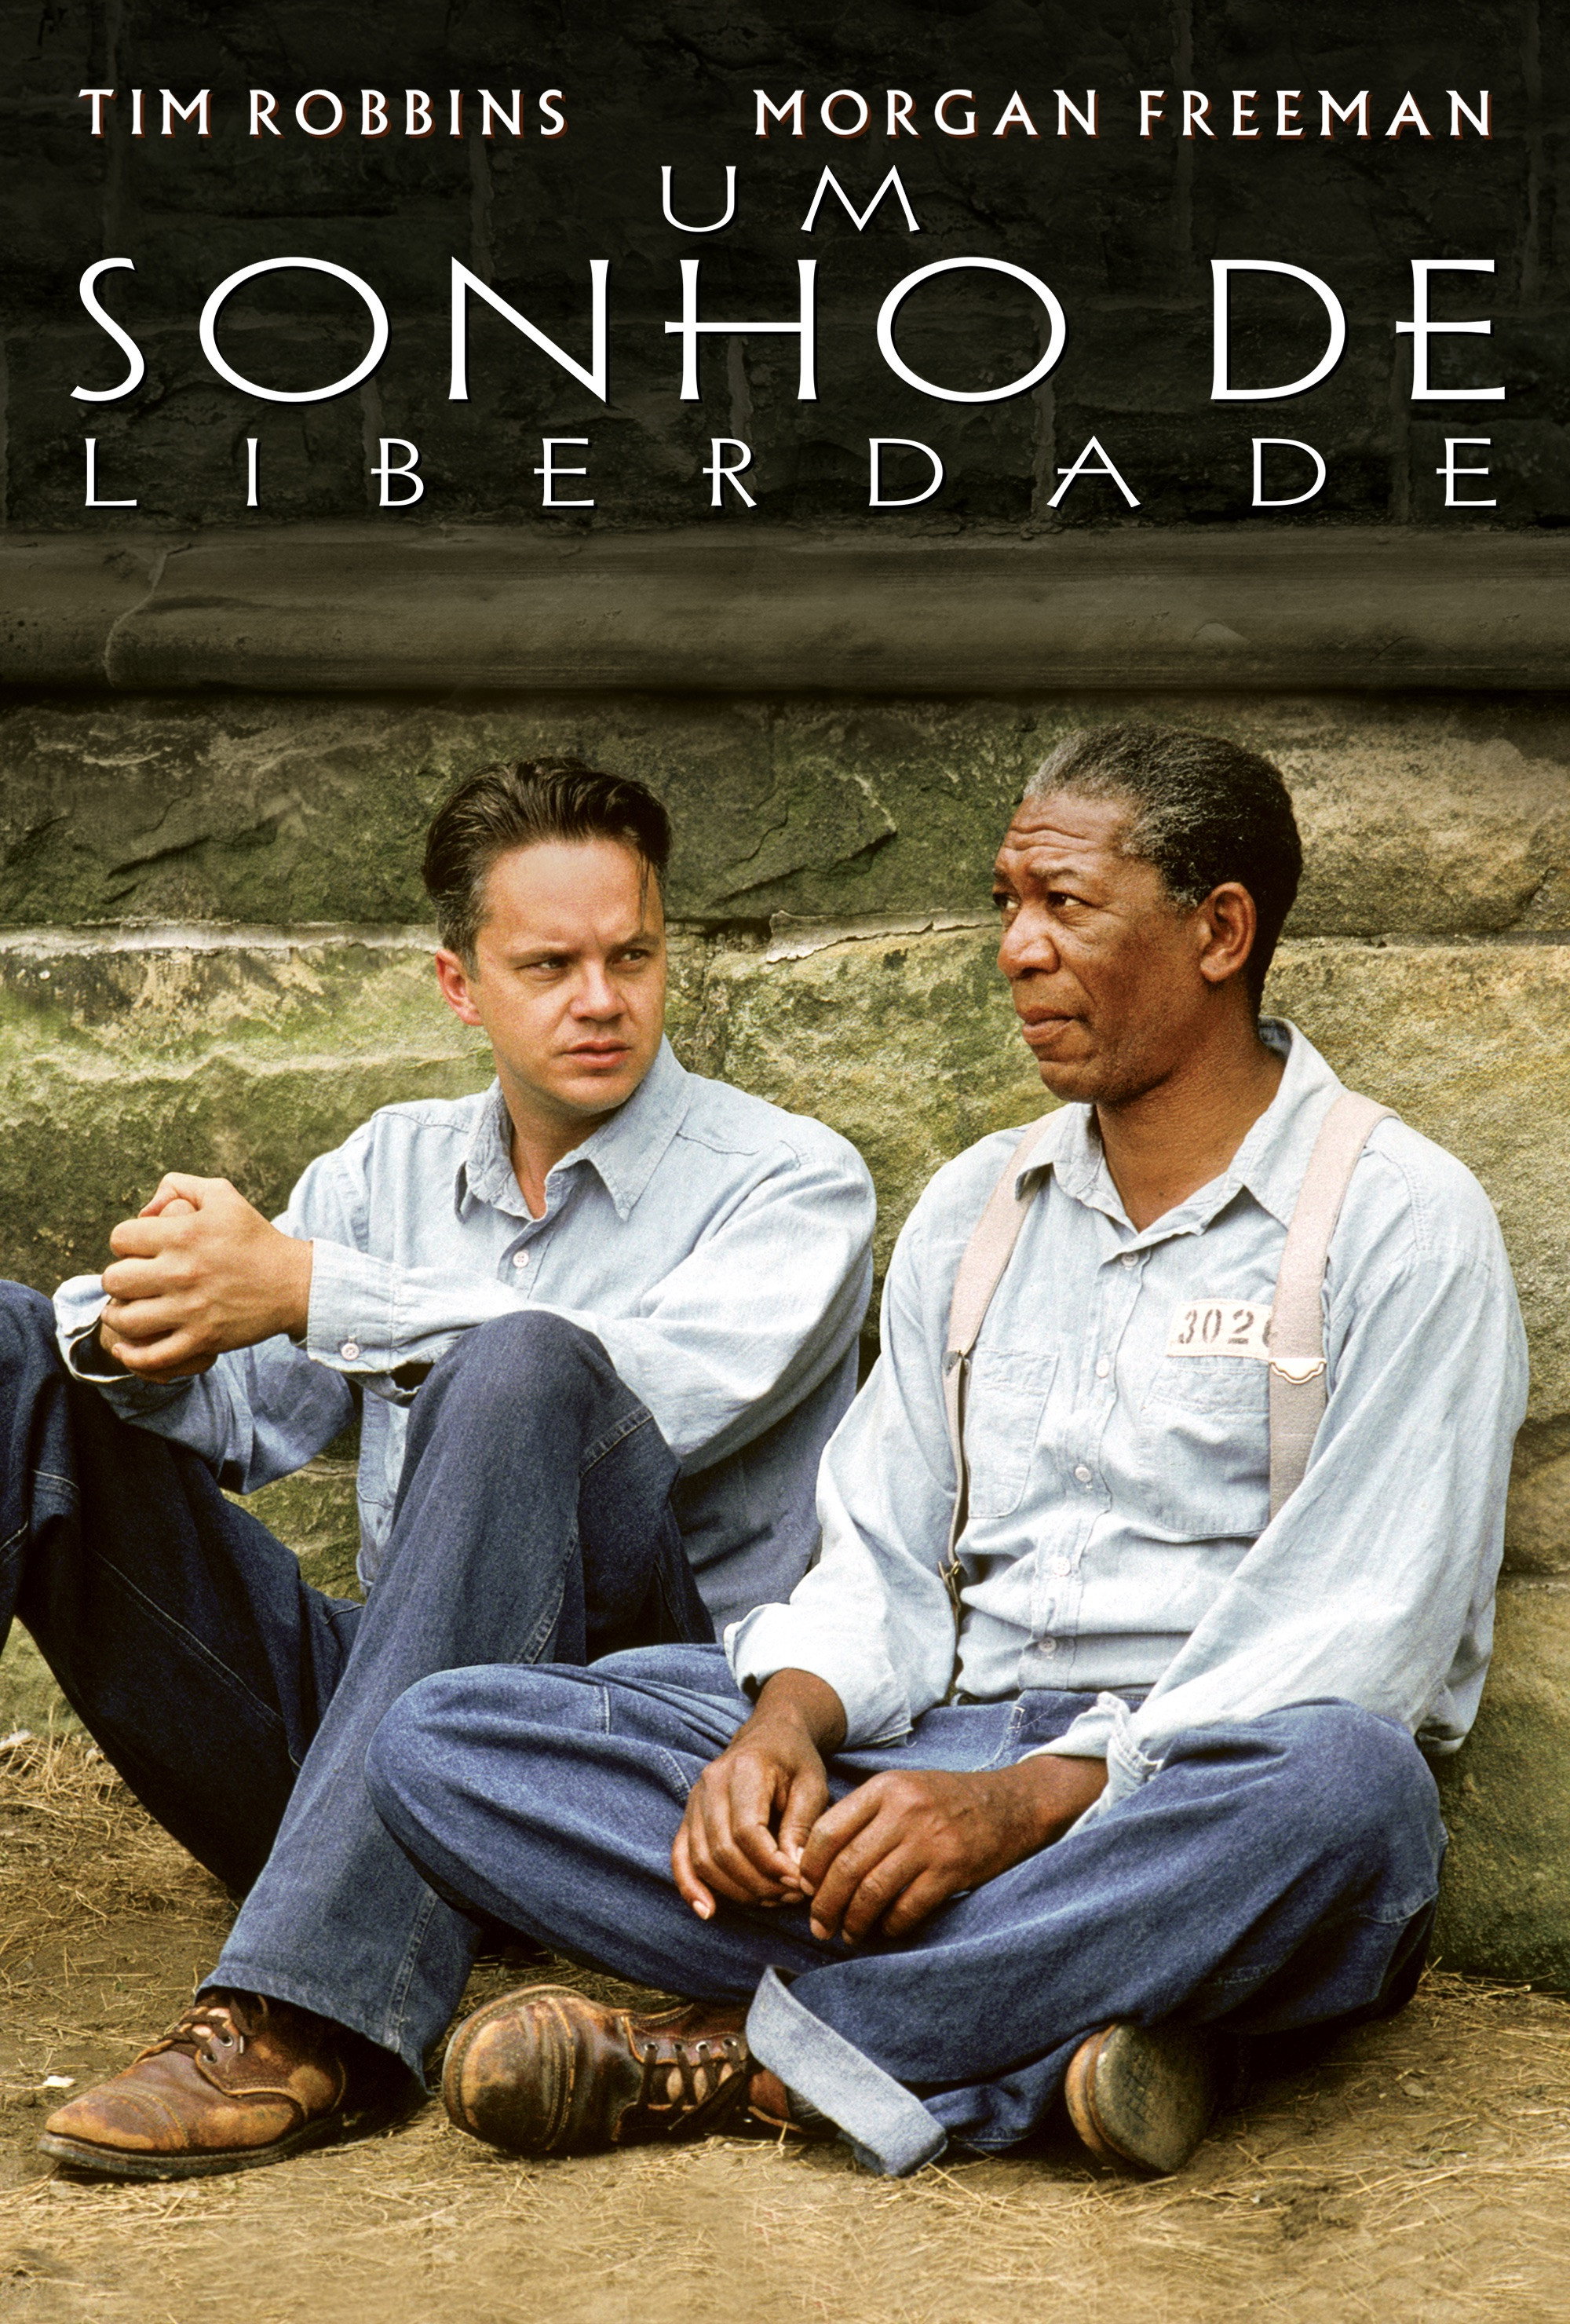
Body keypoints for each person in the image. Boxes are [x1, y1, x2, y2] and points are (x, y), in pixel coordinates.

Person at [365, 722, 1528, 2181]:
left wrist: (1029, 1805)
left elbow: (1362, 1641)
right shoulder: (981, 1207)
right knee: (444, 1741)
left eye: (1066, 905)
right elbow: (880, 1554)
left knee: (1351, 1793)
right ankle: (1093, 2019)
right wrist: (787, 1728)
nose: (1017, 950)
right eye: (1007, 905)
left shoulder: (1402, 1220)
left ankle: (766, 2055)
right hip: (934, 1752)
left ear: (1221, 931)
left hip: (1192, 1785)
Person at [2, 757, 875, 2181]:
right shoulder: (386, 1171)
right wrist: (146, 1321)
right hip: (378, 1742)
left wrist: (308, 1289)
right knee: (14, 1342)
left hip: (633, 1770)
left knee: (527, 1366)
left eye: (632, 956)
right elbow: (240, 1421)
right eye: (550, 966)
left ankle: (309, 2016)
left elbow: (660, 1387)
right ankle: (359, 1887)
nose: (601, 1000)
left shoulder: (793, 1180)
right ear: (460, 986)